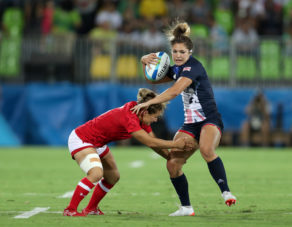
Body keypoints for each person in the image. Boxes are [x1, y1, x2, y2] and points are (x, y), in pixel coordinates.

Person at [132, 21, 236, 216]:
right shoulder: (176, 69)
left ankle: (226, 192)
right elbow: (153, 78)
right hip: (190, 124)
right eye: (175, 52)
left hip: (209, 119)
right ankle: (186, 208)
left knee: (206, 149)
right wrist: (143, 61)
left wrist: (146, 103)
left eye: (182, 52)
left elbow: (174, 91)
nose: (178, 55)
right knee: (172, 163)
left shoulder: (193, 67)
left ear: (190, 52)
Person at [63, 88, 192, 216]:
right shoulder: (129, 117)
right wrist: (176, 144)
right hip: (83, 139)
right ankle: (70, 209)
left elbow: (153, 141)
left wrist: (170, 158)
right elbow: (149, 142)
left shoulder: (139, 113)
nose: (156, 120)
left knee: (113, 176)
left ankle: (91, 208)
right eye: (155, 116)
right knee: (96, 173)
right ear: (146, 112)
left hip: (98, 143)